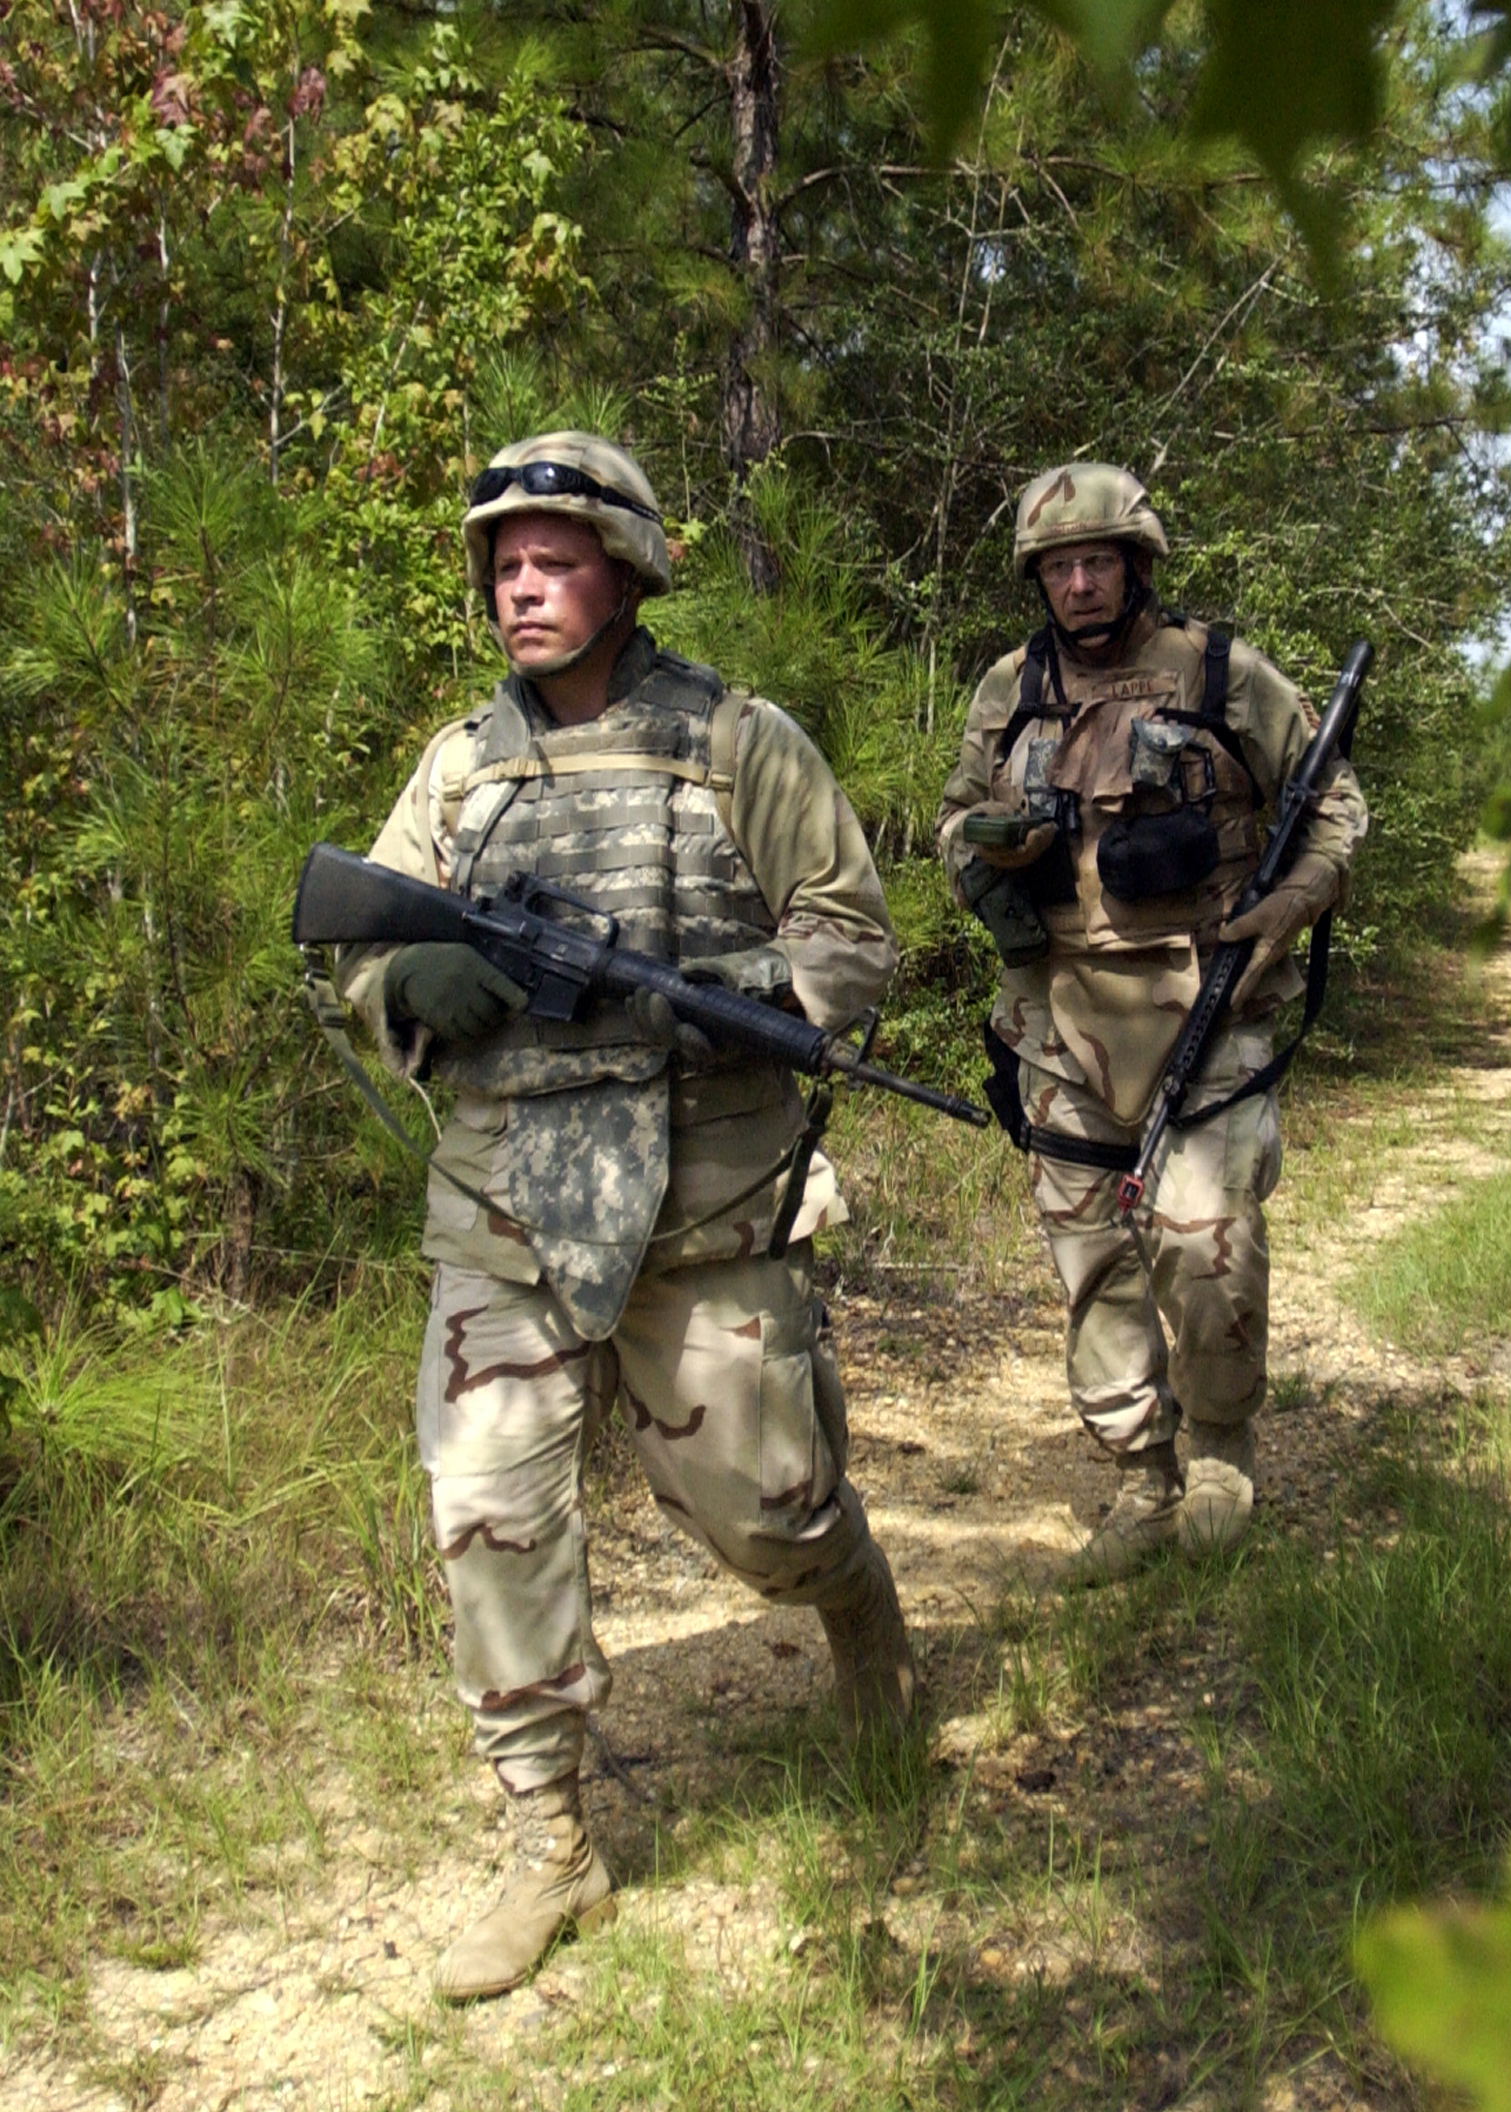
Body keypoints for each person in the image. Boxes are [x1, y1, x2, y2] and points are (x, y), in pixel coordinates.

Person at [327, 432, 917, 2004]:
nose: (525, 585)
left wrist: (738, 1000)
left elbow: (854, 939)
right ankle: (552, 1846)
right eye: (505, 565)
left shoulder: (742, 742)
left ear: (628, 569)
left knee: (766, 1511)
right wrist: (406, 987)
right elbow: (360, 944)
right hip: (506, 1206)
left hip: (707, 1199)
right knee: (488, 1514)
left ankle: (858, 1606)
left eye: (557, 559)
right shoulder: (457, 767)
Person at [937, 462, 1364, 1587]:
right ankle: (1140, 1473)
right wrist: (984, 852)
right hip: (1057, 1017)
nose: (1079, 584)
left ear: (1137, 564)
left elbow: (1332, 804)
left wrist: (1293, 901)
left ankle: (1220, 1448)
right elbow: (949, 825)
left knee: (1200, 1238)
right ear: (1039, 579)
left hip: (1210, 999)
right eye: (1059, 567)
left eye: (1098, 561)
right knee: (1092, 1263)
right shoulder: (1007, 688)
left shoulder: (1221, 673)